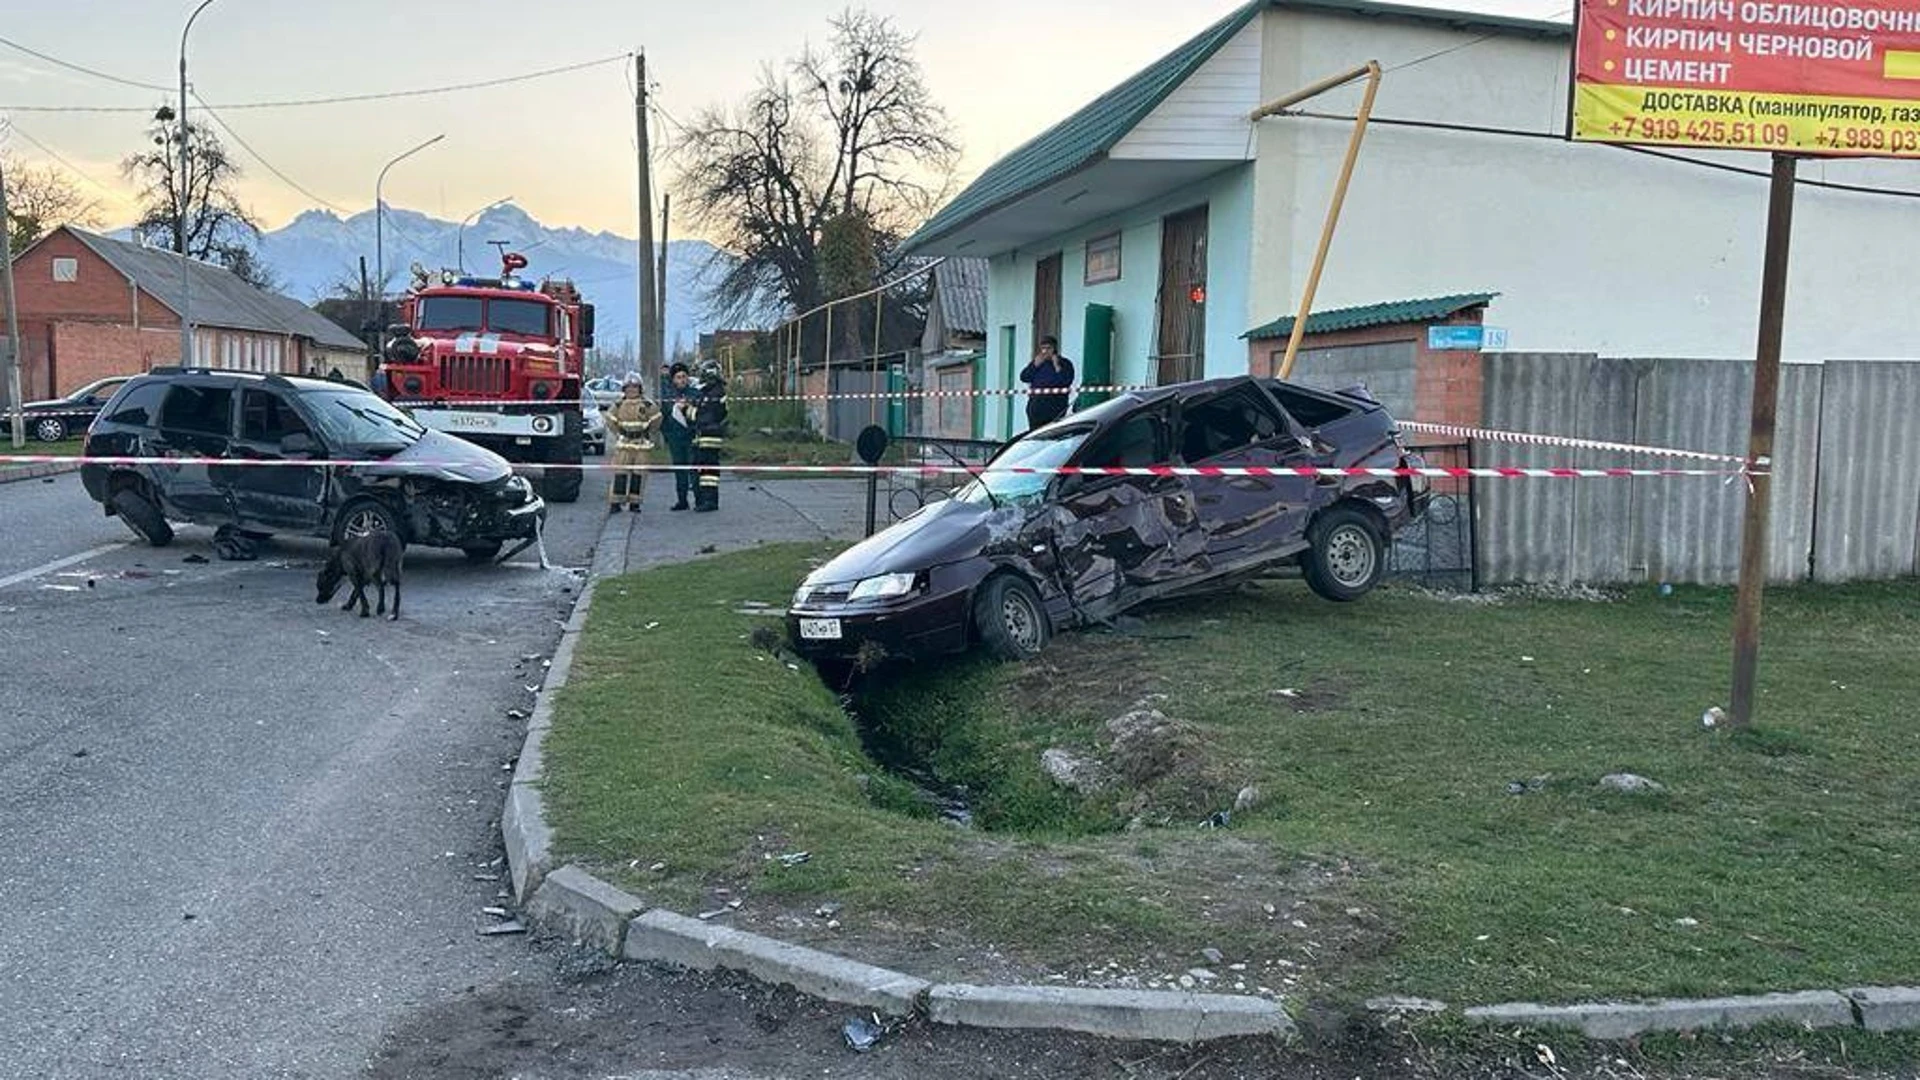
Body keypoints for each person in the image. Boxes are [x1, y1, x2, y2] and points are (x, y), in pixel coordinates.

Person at [606, 374, 661, 514]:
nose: (632, 390)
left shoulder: (647, 405)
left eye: (635, 387)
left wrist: (648, 433)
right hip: (624, 444)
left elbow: (657, 420)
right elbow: (610, 420)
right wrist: (619, 433)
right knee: (620, 474)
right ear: (624, 389)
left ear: (640, 389)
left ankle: (635, 503)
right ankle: (616, 503)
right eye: (629, 387)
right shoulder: (618, 405)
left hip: (641, 444)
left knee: (639, 475)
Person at [690, 362, 729, 513]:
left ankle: (710, 501)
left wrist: (688, 410)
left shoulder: (714, 394)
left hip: (709, 437)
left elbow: (704, 416)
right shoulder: (709, 392)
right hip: (704, 436)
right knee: (703, 470)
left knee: (708, 471)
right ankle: (704, 499)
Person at [661, 363, 697, 511]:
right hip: (675, 438)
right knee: (679, 470)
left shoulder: (695, 393)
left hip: (692, 437)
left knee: (694, 470)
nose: (681, 380)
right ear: (673, 379)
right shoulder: (668, 396)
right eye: (678, 377)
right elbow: (663, 417)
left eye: (684, 377)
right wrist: (667, 436)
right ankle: (682, 500)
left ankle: (699, 499)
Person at [1019, 336, 1076, 430]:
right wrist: (1034, 366)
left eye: (1048, 348)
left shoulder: (1065, 363)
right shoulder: (1038, 363)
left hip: (1056, 406)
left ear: (1054, 349)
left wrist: (1057, 366)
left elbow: (1066, 381)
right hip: (1036, 406)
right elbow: (1024, 377)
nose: (1045, 351)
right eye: (1043, 348)